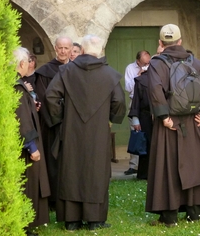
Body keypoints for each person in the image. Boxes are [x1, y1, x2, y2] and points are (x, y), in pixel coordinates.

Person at [45, 35, 126, 230]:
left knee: (71, 171)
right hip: (98, 132)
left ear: (81, 50)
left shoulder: (65, 71)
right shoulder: (110, 74)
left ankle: (71, 221)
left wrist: (62, 119)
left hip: (71, 131)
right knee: (95, 171)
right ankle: (94, 220)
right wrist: (110, 120)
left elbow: (51, 96)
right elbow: (119, 102)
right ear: (100, 51)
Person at [146, 24, 200, 227]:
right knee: (193, 164)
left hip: (169, 122)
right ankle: (193, 212)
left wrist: (163, 117)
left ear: (161, 43)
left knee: (166, 166)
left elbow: (154, 90)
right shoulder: (193, 61)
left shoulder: (156, 63)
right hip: (191, 121)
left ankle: (169, 216)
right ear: (180, 42)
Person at [14, 47, 50, 236]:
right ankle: (24, 226)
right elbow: (22, 119)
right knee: (28, 184)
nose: (29, 64)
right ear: (21, 64)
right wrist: (32, 147)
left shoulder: (18, 84)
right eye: (27, 61)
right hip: (24, 148)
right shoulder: (18, 87)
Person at [34, 35, 72, 210]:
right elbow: (44, 98)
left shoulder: (75, 70)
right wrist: (59, 119)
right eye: (60, 48)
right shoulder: (44, 72)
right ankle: (53, 200)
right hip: (52, 125)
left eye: (66, 48)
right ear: (55, 49)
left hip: (72, 125)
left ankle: (68, 198)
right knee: (52, 161)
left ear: (71, 49)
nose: (63, 51)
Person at [124, 50, 151, 175]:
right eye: (145, 58)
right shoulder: (130, 68)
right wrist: (139, 76)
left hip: (148, 104)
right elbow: (128, 88)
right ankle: (134, 165)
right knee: (136, 133)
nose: (148, 60)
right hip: (134, 103)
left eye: (149, 57)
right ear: (138, 60)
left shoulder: (153, 67)